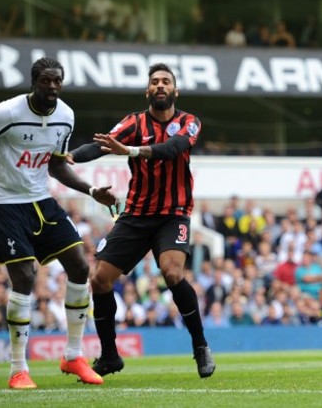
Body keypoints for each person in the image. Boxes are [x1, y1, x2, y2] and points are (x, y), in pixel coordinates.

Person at [0, 57, 117, 389]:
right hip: (3, 200)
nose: (52, 87)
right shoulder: (8, 112)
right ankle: (18, 369)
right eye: (46, 81)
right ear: (34, 82)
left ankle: (73, 356)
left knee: (78, 266)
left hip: (40, 198)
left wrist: (91, 191)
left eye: (57, 81)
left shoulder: (66, 116)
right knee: (25, 276)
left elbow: (57, 166)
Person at [68, 62, 215, 379]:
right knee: (100, 280)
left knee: (172, 273)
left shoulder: (190, 122)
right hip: (136, 214)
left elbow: (172, 148)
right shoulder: (134, 122)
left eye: (166, 81)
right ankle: (109, 356)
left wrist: (131, 151)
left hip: (173, 213)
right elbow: (103, 144)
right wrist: (69, 157)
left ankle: (200, 345)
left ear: (175, 90)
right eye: (155, 82)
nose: (160, 85)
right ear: (148, 90)